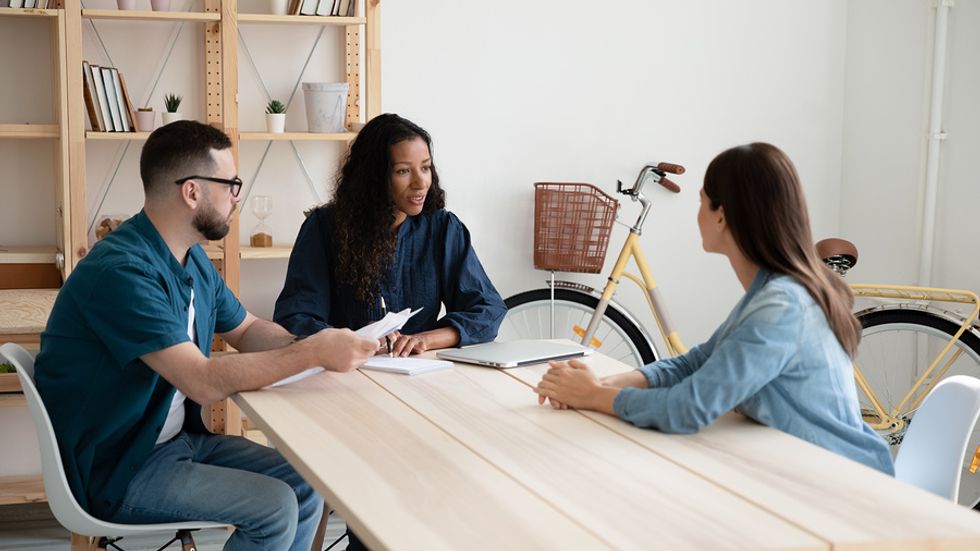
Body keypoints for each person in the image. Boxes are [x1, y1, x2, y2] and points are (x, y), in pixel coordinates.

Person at [35, 120, 379, 550]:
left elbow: (248, 329)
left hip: (176, 443)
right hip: (120, 465)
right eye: (231, 184)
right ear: (192, 191)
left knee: (306, 483)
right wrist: (312, 353)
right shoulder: (122, 271)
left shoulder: (191, 259)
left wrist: (319, 344)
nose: (238, 197)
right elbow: (200, 380)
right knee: (274, 506)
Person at [533, 142, 894, 475]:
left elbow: (689, 408)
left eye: (702, 201)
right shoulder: (770, 292)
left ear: (721, 216)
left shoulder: (783, 305)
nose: (698, 213)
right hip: (801, 470)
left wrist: (595, 396)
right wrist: (599, 383)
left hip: (847, 483)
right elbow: (694, 363)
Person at [274, 113, 506, 357]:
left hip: (420, 372)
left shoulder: (443, 229)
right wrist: (353, 342)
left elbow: (488, 309)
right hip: (344, 373)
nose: (420, 182)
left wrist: (424, 339)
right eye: (403, 171)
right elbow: (296, 318)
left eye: (425, 167)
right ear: (373, 177)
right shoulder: (323, 228)